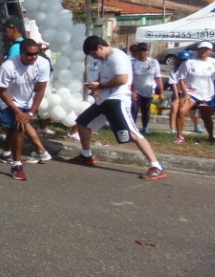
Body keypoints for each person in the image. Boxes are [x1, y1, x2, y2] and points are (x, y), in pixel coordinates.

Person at [70, 35, 168, 180]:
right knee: (83, 122)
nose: (95, 57)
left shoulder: (118, 57)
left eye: (94, 54)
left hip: (118, 100)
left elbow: (121, 79)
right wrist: (97, 89)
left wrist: (100, 86)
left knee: (133, 133)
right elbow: (103, 78)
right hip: (104, 100)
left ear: (100, 47)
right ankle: (86, 155)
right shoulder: (105, 59)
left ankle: (156, 166)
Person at [0, 39, 51, 181]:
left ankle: (6, 153)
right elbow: (2, 92)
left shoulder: (43, 63)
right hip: (9, 100)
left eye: (36, 54)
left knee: (14, 129)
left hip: (27, 101)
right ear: (20, 53)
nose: (33, 57)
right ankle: (16, 165)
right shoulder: (8, 66)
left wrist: (30, 112)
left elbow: (40, 90)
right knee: (19, 126)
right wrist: (19, 112)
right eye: (29, 54)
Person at [172, 41, 215, 143]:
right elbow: (180, 78)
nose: (203, 51)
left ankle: (211, 136)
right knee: (181, 111)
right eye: (201, 49)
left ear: (210, 51)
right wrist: (185, 93)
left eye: (206, 49)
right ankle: (179, 136)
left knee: (206, 116)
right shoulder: (189, 62)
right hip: (191, 93)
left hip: (206, 94)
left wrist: (211, 84)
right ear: (198, 50)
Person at [130, 43, 164, 135]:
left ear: (147, 51)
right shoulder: (132, 62)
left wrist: (162, 91)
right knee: (134, 109)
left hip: (148, 91)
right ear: (137, 51)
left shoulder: (153, 62)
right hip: (136, 91)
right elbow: (129, 78)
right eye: (140, 50)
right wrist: (132, 90)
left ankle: (145, 127)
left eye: (144, 50)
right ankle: (132, 128)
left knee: (145, 110)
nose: (142, 52)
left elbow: (158, 77)